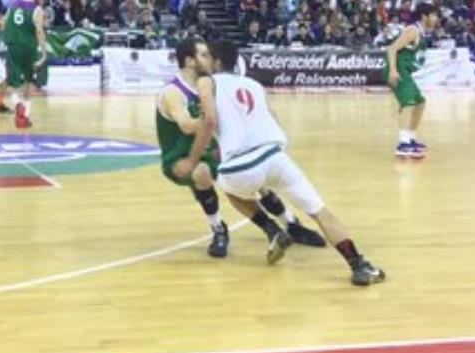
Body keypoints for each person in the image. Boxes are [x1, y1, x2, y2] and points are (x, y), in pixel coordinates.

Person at [188, 40, 386, 286]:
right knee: (319, 211)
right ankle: (358, 264)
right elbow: (272, 118)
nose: (202, 61)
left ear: (216, 62)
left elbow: (209, 121)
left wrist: (193, 159)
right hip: (275, 154)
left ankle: (272, 230)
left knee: (231, 189)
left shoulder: (206, 82)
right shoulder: (254, 84)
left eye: (207, 57)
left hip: (240, 165)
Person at [159, 39, 324, 259]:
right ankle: (219, 228)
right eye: (203, 55)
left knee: (256, 175)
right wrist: (210, 118)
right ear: (189, 61)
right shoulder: (173, 91)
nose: (210, 59)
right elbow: (187, 126)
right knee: (202, 173)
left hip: (213, 150)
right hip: (181, 155)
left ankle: (291, 224)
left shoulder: (213, 84)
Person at [384, 3, 438, 159]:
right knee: (408, 103)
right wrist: (393, 70)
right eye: (433, 15)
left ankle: (410, 137)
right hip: (397, 69)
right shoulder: (413, 30)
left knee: (420, 102)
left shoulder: (423, 32)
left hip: (404, 70)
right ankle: (402, 143)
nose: (436, 19)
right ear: (424, 16)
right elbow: (391, 48)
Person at [3, 0, 48, 129]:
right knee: (30, 82)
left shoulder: (12, 5)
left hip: (13, 46)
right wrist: (43, 52)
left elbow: (4, 24)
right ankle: (25, 116)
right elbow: (39, 31)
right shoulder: (37, 9)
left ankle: (18, 105)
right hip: (29, 47)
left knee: (11, 84)